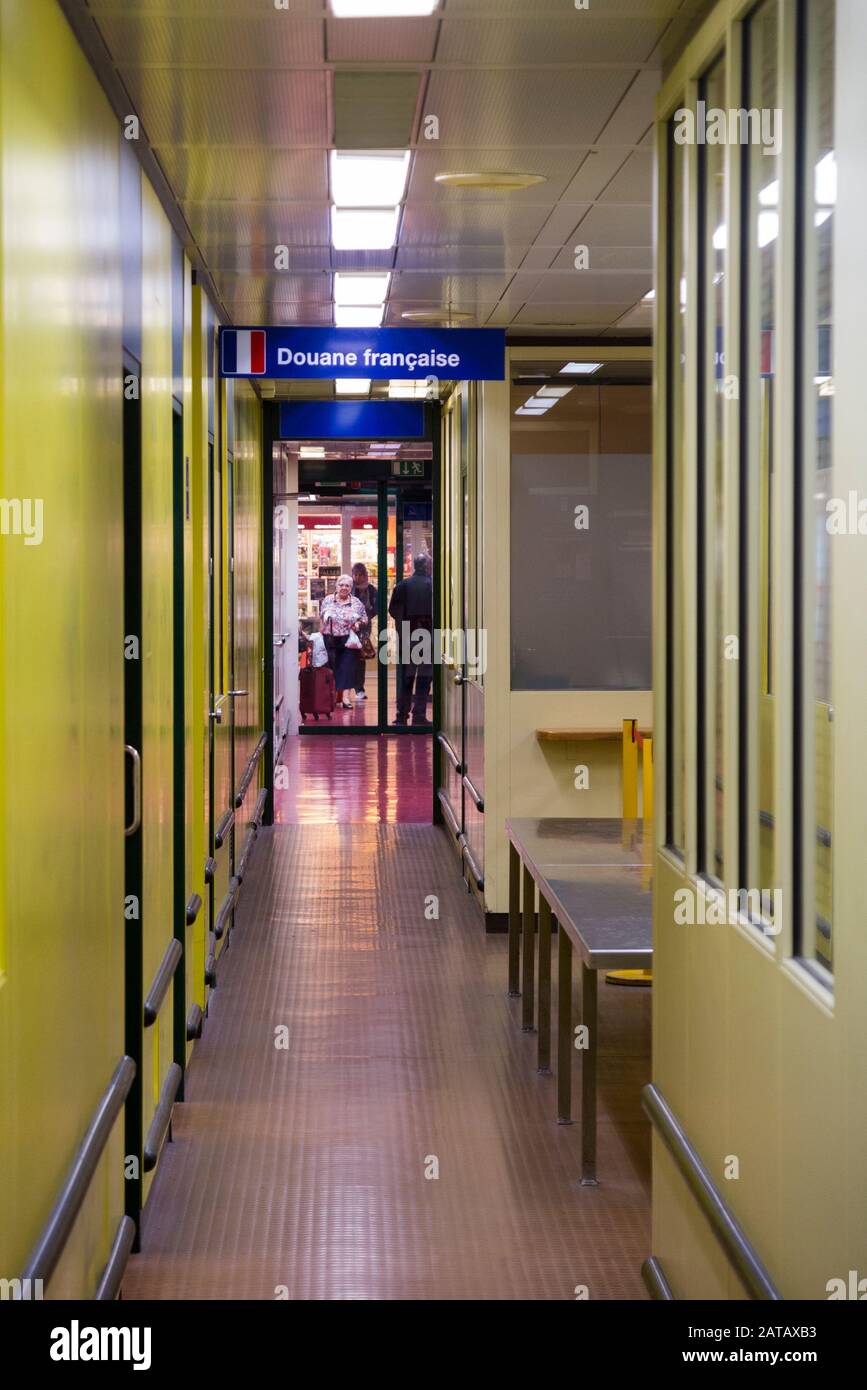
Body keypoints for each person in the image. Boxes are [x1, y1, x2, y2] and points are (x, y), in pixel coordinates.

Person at [388, 553, 433, 726]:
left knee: (406, 678)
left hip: (407, 637)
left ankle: (401, 716)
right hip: (428, 637)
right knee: (424, 677)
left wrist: (404, 625)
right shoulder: (432, 586)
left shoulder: (402, 585)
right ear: (427, 566)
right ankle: (419, 716)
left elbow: (394, 610)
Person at [320, 575, 366, 709]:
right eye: (342, 585)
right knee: (332, 668)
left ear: (351, 588)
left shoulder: (356, 602)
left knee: (347, 668)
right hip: (330, 638)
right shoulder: (328, 600)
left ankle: (345, 698)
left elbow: (365, 619)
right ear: (337, 586)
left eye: (347, 586)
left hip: (348, 639)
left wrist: (358, 624)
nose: (344, 588)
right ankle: (332, 696)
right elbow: (322, 615)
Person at [351, 562, 377, 702]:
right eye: (355, 574)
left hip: (364, 629)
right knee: (347, 657)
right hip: (348, 627)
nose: (358, 577)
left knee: (360, 658)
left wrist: (365, 618)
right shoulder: (349, 588)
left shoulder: (371, 590)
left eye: (361, 574)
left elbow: (376, 608)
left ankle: (359, 688)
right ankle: (344, 690)